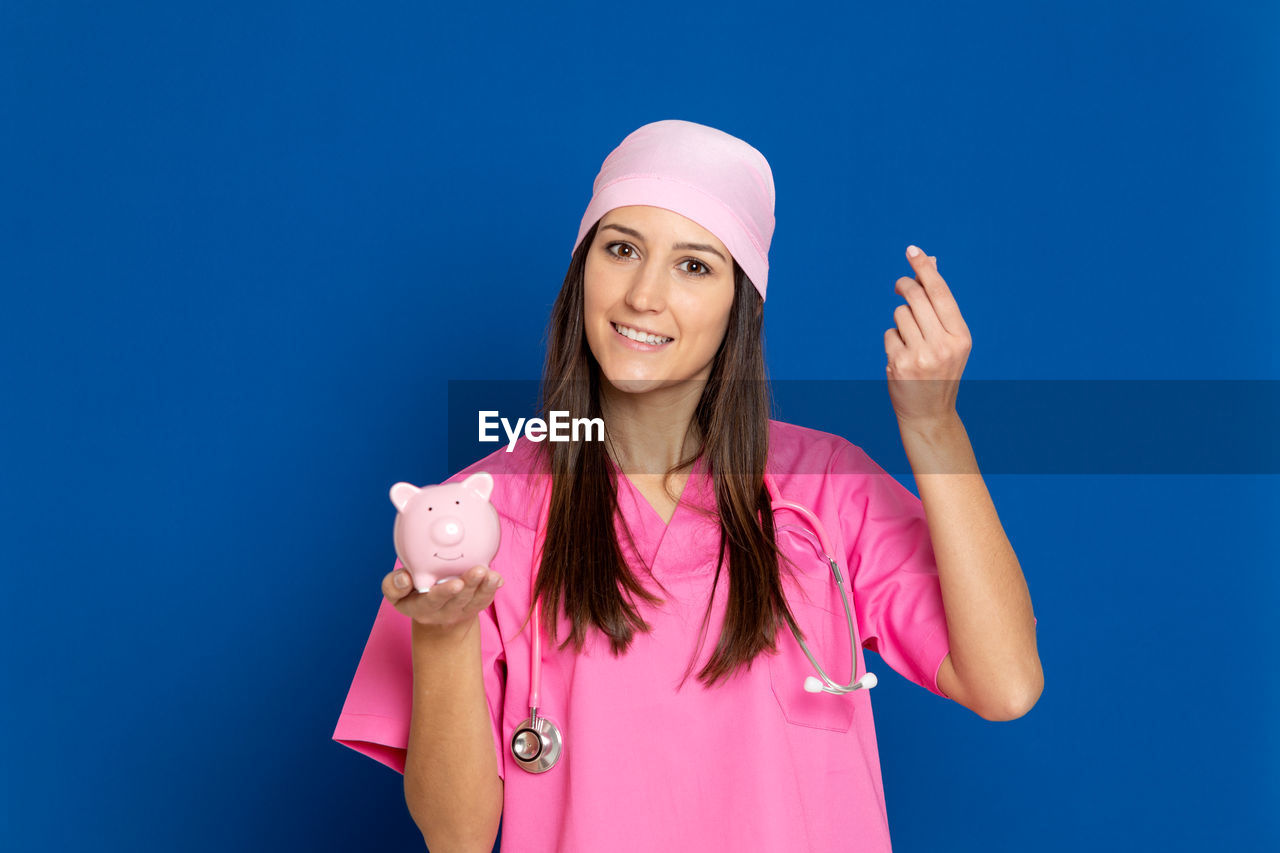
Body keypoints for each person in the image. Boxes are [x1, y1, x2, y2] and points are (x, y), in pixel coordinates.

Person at [332, 119, 1042, 852]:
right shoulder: (476, 516)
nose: (645, 294)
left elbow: (1005, 683)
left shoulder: (825, 491)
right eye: (622, 249)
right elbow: (457, 837)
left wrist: (934, 428)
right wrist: (443, 632)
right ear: (582, 273)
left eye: (694, 266)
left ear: (742, 302)